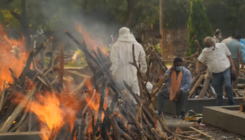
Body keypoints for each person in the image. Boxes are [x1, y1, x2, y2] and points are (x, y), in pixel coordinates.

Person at [196, 37, 236, 106]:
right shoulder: (205, 51)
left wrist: (233, 67)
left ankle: (231, 103)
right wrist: (197, 69)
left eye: (210, 46)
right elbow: (199, 61)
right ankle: (220, 105)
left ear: (214, 43)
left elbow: (229, 56)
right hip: (215, 73)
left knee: (228, 86)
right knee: (218, 91)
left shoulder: (222, 46)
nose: (210, 48)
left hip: (225, 70)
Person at [110, 27, 147, 96]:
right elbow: (144, 63)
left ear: (120, 34)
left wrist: (114, 74)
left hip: (121, 76)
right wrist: (141, 73)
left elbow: (114, 63)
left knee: (122, 98)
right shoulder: (138, 45)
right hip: (134, 75)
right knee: (136, 97)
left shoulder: (115, 46)